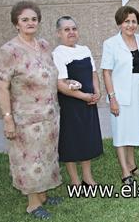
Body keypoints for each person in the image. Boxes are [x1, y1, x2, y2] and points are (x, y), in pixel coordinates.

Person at [0, 1, 62, 219]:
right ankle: (33, 204)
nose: (30, 23)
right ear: (16, 23)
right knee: (30, 160)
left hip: (49, 114)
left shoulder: (43, 45)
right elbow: (2, 86)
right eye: (25, 19)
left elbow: (52, 74)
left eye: (34, 19)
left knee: (47, 157)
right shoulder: (9, 51)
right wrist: (7, 119)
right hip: (26, 119)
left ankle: (42, 195)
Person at [52, 16, 103, 186]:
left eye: (74, 28)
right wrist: (84, 96)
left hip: (89, 102)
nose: (71, 32)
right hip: (71, 104)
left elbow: (93, 74)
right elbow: (61, 84)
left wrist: (97, 92)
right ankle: (75, 182)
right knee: (72, 141)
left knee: (87, 138)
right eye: (66, 29)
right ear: (59, 33)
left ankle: (87, 177)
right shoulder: (58, 53)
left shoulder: (85, 50)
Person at [101, 6, 139, 185]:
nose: (131, 25)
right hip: (120, 94)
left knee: (133, 130)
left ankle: (132, 164)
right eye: (127, 21)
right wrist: (112, 98)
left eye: (134, 21)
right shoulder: (110, 43)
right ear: (120, 23)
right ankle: (125, 172)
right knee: (121, 133)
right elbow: (106, 72)